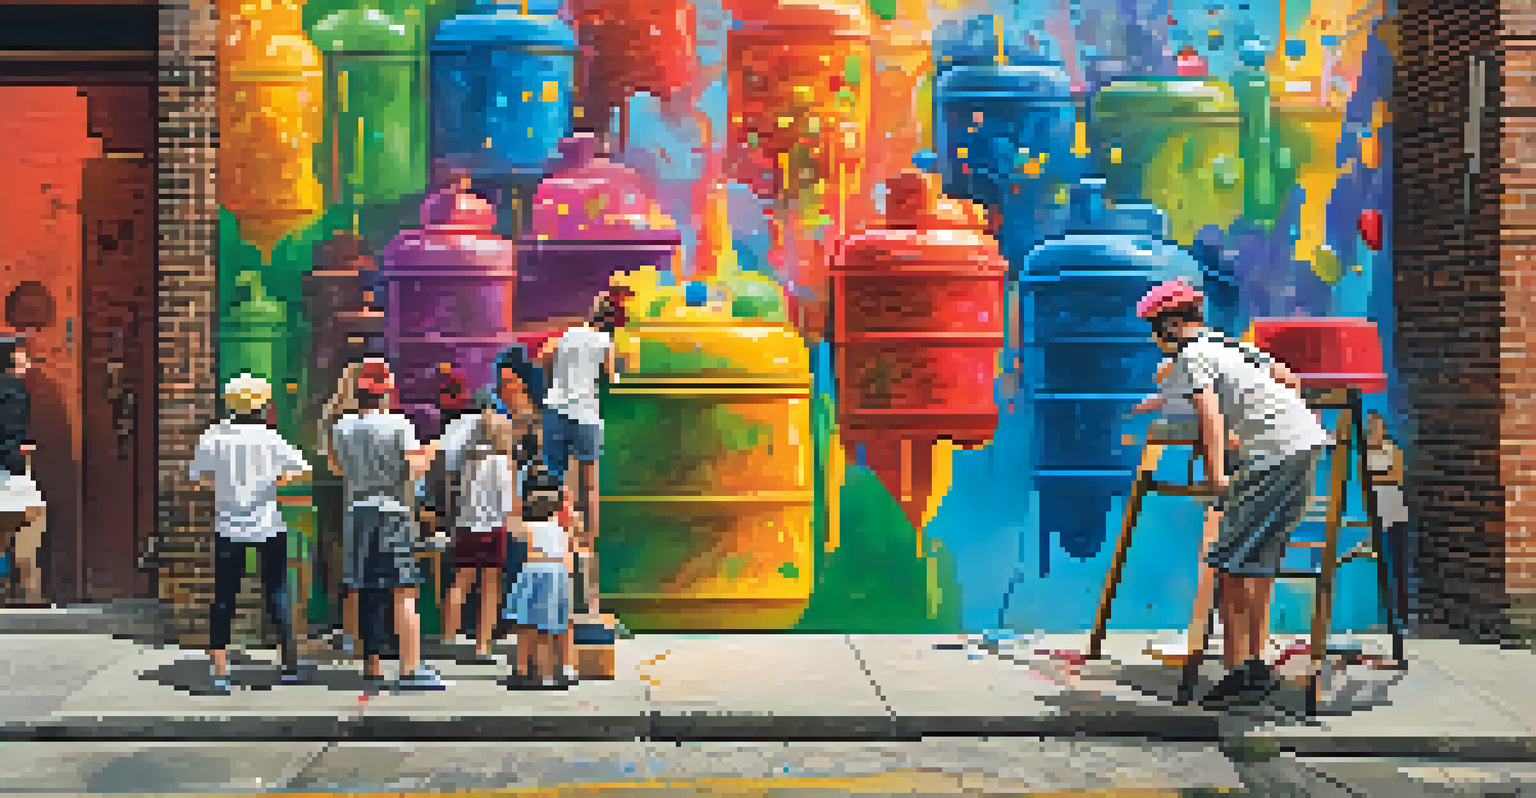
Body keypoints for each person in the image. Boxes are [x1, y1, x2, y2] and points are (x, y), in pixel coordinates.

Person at [1134, 279, 1329, 710]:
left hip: (1272, 458)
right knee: (1254, 562)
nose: (1153, 338)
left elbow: (1209, 413)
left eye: (1154, 328)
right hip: (1302, 449)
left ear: (1170, 324)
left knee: (1228, 563)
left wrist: (1216, 473)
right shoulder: (1228, 345)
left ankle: (1243, 672)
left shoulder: (1192, 354)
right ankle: (1254, 664)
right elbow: (1288, 381)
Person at [188, 374, 311, 694]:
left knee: (224, 598)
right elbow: (302, 469)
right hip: (268, 524)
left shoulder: (214, 436)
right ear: (262, 405)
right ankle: (289, 666)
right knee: (278, 595)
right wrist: (274, 483)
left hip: (228, 526)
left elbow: (197, 479)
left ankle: (219, 671)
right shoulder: (271, 438)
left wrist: (223, 490)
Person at [329, 358, 447, 690]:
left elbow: (339, 468)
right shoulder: (399, 425)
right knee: (403, 589)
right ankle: (410, 668)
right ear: (387, 392)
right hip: (392, 511)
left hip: (357, 511)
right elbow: (415, 468)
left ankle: (372, 665)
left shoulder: (342, 427)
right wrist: (432, 450)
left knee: (366, 589)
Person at [539, 293, 625, 620]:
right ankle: (589, 539)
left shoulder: (565, 335)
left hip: (555, 410)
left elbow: (543, 358)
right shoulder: (604, 341)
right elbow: (610, 377)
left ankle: (559, 533)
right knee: (590, 484)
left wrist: (554, 382)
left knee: (557, 480)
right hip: (586, 414)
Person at [439, 406, 523, 665]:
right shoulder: (504, 463)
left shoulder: (469, 462)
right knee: (490, 587)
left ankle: (448, 638)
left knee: (460, 582)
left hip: (466, 526)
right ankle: (482, 645)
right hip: (492, 527)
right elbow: (508, 503)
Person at [505, 466, 578, 689]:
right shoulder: (560, 528)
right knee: (547, 630)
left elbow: (511, 523)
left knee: (525, 627)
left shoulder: (527, 527)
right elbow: (568, 559)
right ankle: (549, 675)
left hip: (532, 575)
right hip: (556, 577)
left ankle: (523, 672)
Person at [0, 336, 45, 606]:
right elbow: (9, 432)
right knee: (32, 521)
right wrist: (20, 452)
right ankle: (30, 593)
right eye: (21, 354)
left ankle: (13, 591)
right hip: (8, 471)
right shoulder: (12, 388)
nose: (27, 360)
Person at [1365, 412, 1410, 636]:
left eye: (1378, 427)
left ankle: (1401, 617)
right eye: (1371, 427)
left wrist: (1375, 476)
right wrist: (1383, 475)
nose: (1375, 432)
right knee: (1376, 563)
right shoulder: (1362, 453)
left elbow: (1397, 477)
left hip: (1394, 512)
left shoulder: (1392, 449)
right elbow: (1363, 480)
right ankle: (1382, 615)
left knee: (1397, 564)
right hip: (1374, 514)